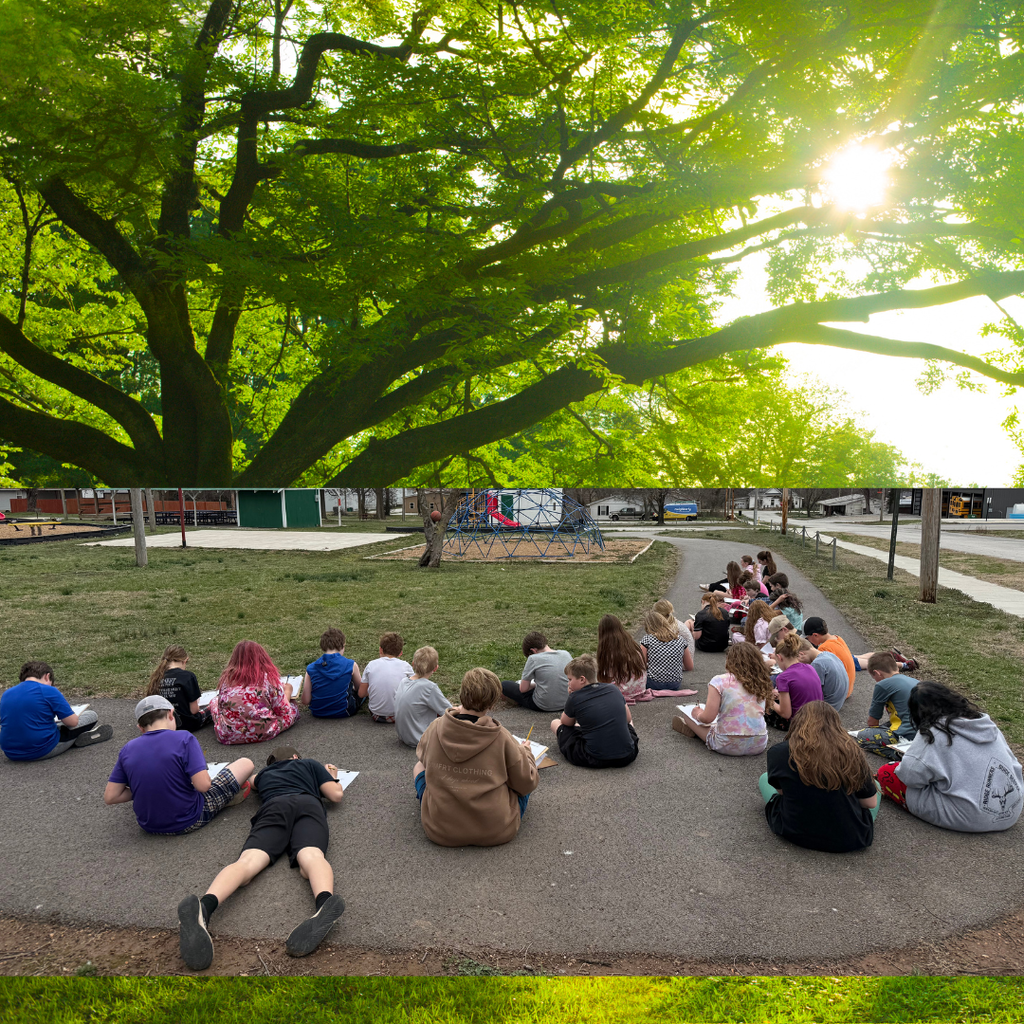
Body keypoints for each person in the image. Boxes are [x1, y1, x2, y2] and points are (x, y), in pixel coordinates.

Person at [176, 744, 347, 970]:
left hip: (274, 806)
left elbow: (250, 782)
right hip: (308, 805)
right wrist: (332, 776)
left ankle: (205, 906)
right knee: (311, 857)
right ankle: (324, 902)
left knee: (247, 863)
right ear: (296, 756)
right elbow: (336, 795)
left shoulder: (264, 774)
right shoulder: (309, 764)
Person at [413, 668, 539, 847]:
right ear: (492, 704)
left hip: (440, 829)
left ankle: (437, 810)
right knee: (522, 776)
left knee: (419, 767)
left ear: (462, 695)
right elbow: (526, 783)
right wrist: (526, 753)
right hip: (495, 830)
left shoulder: (436, 726)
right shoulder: (501, 737)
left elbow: (423, 755)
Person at [876, 682, 1023, 832]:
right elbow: (1014, 764)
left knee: (886, 772)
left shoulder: (932, 733)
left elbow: (909, 777)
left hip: (972, 817)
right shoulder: (985, 724)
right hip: (1011, 811)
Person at [104, 696, 254, 834]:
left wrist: (147, 787)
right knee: (245, 764)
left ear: (140, 727)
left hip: (149, 825)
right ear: (171, 714)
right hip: (189, 819)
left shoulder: (127, 749)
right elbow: (203, 786)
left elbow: (111, 796)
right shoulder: (184, 738)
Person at [759, 702, 879, 852]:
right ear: (836, 725)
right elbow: (870, 803)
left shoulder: (779, 752)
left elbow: (782, 792)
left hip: (794, 831)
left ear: (798, 722)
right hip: (849, 838)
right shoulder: (851, 752)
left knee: (765, 778)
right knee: (875, 788)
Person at [671, 643, 772, 756]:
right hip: (758, 744)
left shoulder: (719, 681)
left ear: (729, 660)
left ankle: (693, 728)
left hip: (726, 744)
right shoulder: (762, 681)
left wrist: (697, 714)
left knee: (688, 715)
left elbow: (707, 718)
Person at [0, 661, 113, 761]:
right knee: (91, 715)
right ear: (47, 676)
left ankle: (74, 738)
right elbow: (72, 722)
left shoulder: (6, 694)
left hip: (11, 752)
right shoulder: (49, 690)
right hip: (41, 749)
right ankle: (75, 739)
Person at [549, 654, 639, 768]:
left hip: (594, 758)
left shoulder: (575, 697)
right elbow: (628, 719)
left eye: (570, 679)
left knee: (555, 723)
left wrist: (570, 697)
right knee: (626, 723)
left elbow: (566, 723)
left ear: (582, 679)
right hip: (628, 755)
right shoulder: (613, 689)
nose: (568, 683)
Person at [210, 641, 299, 746]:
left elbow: (221, 709)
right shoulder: (268, 679)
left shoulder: (227, 680)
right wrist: (287, 691)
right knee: (292, 708)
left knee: (214, 701)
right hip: (264, 732)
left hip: (229, 735)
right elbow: (283, 710)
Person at [851, 652, 918, 756]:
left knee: (862, 737)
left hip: (906, 735)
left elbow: (872, 722)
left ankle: (900, 754)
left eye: (874, 677)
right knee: (885, 726)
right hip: (922, 733)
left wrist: (873, 731)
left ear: (877, 673)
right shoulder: (916, 681)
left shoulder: (883, 685)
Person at [500, 631, 572, 712]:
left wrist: (534, 685)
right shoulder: (566, 654)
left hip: (543, 705)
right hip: (567, 702)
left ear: (533, 651)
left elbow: (523, 689)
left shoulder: (533, 658)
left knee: (505, 684)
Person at [394, 646, 451, 747]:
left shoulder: (403, 681)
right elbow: (449, 711)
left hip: (404, 737)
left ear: (413, 664)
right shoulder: (429, 687)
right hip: (421, 740)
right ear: (435, 668)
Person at [765, 632, 823, 730]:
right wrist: (779, 696)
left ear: (779, 657)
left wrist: (769, 701)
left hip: (800, 724)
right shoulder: (809, 667)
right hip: (818, 718)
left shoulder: (783, 677)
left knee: (763, 707)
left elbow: (786, 714)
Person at [301, 628, 363, 719]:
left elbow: (305, 701)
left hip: (318, 712)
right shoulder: (351, 664)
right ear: (343, 645)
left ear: (323, 646)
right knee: (362, 691)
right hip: (344, 711)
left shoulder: (311, 668)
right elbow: (360, 690)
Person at [146, 645, 209, 732]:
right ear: (185, 660)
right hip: (187, 724)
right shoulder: (188, 676)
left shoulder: (156, 677)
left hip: (163, 724)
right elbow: (194, 710)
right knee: (213, 706)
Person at [358, 632, 413, 723]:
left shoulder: (371, 665)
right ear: (400, 653)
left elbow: (361, 694)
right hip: (400, 715)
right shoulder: (406, 666)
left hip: (376, 714)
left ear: (380, 650)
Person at [596, 614, 648, 699]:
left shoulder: (609, 651)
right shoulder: (631, 643)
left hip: (623, 693)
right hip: (640, 689)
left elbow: (606, 678)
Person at [639, 610, 693, 689]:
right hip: (675, 684)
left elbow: (641, 664)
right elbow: (689, 667)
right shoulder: (680, 639)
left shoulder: (647, 639)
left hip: (653, 683)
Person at [803, 617, 856, 697]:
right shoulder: (837, 638)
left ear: (815, 635)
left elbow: (817, 673)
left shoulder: (824, 649)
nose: (808, 641)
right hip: (848, 687)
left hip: (839, 693)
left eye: (807, 638)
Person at [796, 639, 847, 711]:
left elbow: (811, 692)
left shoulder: (817, 664)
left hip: (826, 708)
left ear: (801, 654)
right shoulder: (829, 654)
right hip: (837, 703)